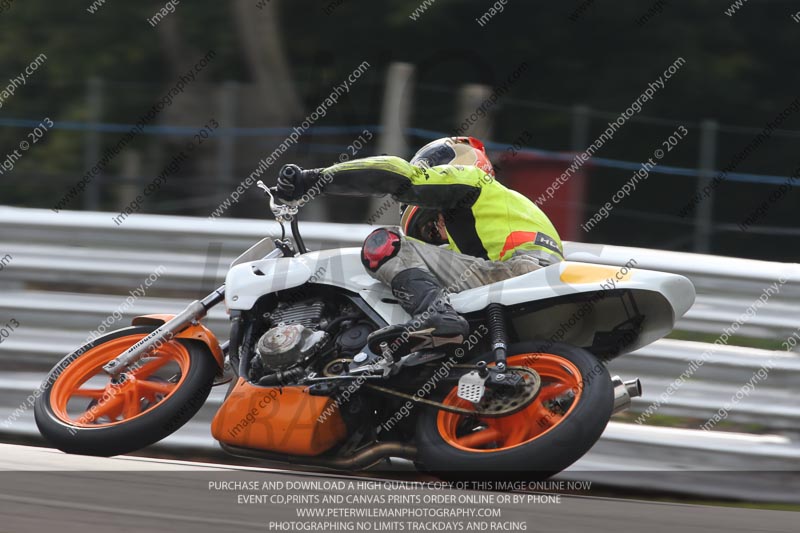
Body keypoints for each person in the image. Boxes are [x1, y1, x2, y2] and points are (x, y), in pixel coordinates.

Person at [276, 136, 564, 355]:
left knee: (384, 243)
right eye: (431, 230)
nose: (438, 234)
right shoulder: (504, 214)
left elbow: (397, 174)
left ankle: (436, 319)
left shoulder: (474, 181)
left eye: (436, 223)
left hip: (514, 273)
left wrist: (314, 179)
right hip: (531, 288)